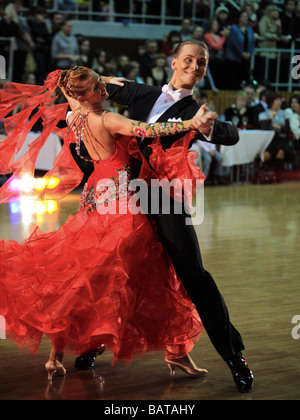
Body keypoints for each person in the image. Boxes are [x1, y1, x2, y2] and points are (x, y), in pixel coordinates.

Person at [0, 66, 212, 382]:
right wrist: (191, 123)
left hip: (97, 198)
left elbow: (73, 97)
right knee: (149, 271)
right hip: (122, 202)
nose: (104, 88)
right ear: (85, 94)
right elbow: (147, 130)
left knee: (84, 274)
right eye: (98, 86)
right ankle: (175, 352)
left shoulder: (78, 115)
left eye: (101, 83)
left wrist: (66, 85)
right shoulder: (107, 119)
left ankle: (58, 355)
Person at [89, 39, 254, 393]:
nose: (195, 66)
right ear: (174, 62)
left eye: (203, 62)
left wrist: (207, 127)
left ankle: (233, 356)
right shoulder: (143, 94)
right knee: (116, 272)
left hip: (164, 199)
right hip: (126, 197)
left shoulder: (196, 109)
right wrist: (75, 81)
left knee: (193, 275)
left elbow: (233, 133)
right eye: (190, 60)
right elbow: (99, 83)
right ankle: (95, 341)